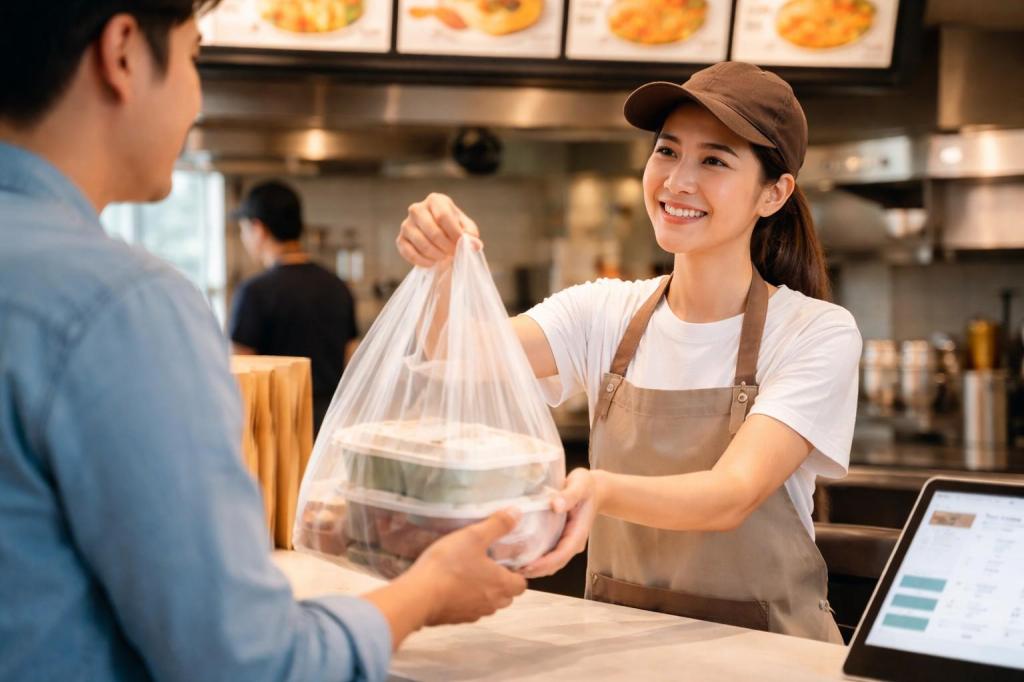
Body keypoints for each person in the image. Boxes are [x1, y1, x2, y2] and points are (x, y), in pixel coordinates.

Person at [0, 3, 524, 681]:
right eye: (194, 56)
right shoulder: (122, 304)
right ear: (122, 52)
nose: (196, 97)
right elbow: (248, 660)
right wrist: (428, 591)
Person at [396, 61, 862, 643]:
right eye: (667, 151)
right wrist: (445, 265)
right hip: (622, 646)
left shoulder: (815, 331)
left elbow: (731, 495)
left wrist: (599, 489)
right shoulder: (603, 312)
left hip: (772, 656)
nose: (678, 181)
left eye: (714, 161)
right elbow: (456, 353)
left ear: (774, 193)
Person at [231, 180, 358, 433]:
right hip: (331, 423)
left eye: (243, 229)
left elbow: (241, 373)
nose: (244, 237)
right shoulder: (337, 285)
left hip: (278, 428)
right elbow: (351, 359)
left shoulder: (254, 292)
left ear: (258, 229)